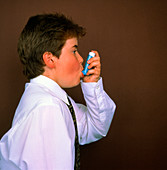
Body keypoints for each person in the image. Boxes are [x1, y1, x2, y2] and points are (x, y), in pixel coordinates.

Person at [0, 13, 116, 170]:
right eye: (74, 51)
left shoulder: (51, 98)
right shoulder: (48, 108)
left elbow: (94, 127)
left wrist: (91, 84)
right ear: (50, 59)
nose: (81, 59)